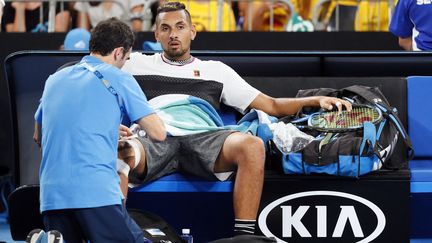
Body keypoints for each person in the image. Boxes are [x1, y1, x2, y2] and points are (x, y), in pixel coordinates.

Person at [119, 1, 351, 236]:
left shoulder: (216, 70)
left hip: (205, 139)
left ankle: (244, 237)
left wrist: (314, 100)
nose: (173, 34)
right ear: (156, 34)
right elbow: (94, 74)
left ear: (192, 31)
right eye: (165, 28)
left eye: (180, 27)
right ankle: (112, 232)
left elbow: (271, 105)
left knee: (252, 146)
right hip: (155, 137)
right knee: (121, 152)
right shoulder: (135, 64)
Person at [33, 17, 166, 243]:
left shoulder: (54, 79)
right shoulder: (119, 77)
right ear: (118, 52)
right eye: (127, 57)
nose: (125, 63)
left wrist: (102, 130)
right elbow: (158, 133)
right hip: (95, 195)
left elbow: (40, 136)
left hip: (52, 198)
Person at [74, 0, 148, 32]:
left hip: (125, 41)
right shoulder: (84, 2)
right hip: (98, 43)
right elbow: (82, 30)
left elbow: (137, 28)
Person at [2, 1, 70, 32]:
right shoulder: (10, 5)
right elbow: (15, 40)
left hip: (49, 54)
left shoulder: (59, 3)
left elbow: (58, 37)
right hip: (23, 56)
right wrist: (20, 8)